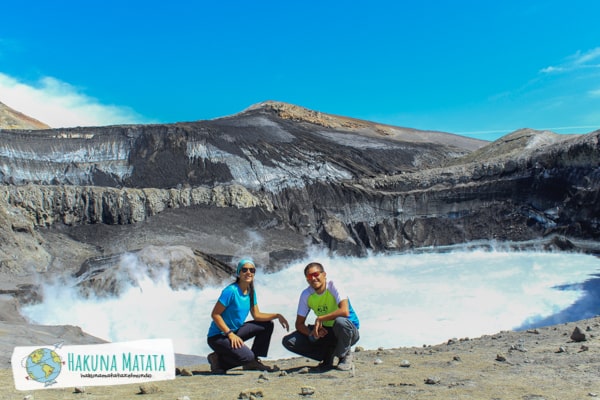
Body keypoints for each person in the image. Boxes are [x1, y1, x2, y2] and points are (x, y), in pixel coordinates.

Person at [207, 258, 289, 373]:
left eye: (252, 270)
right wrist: (229, 334)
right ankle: (218, 360)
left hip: (235, 331)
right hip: (218, 336)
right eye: (244, 270)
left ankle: (253, 361)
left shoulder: (250, 292)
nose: (248, 272)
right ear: (239, 273)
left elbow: (256, 315)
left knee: (267, 325)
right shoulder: (231, 291)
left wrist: (277, 315)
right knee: (246, 357)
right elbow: (215, 314)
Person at [282, 261, 360, 371]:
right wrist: (313, 333)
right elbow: (299, 324)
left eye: (316, 274)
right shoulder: (306, 295)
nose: (313, 278)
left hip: (348, 331)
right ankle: (327, 356)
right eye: (309, 276)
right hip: (327, 332)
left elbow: (344, 311)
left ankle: (344, 356)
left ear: (324, 274)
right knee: (289, 341)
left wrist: (320, 319)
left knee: (340, 322)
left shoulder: (333, 286)